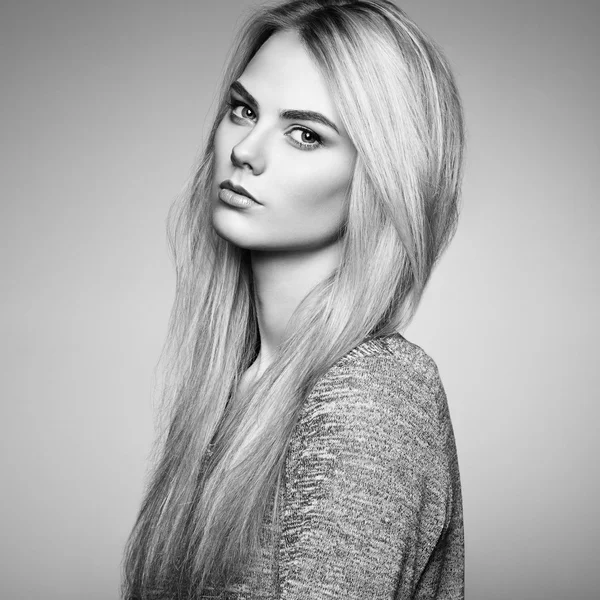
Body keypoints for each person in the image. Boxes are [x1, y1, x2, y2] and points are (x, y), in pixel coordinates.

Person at [122, 0, 465, 598]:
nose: (246, 150)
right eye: (243, 110)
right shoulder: (236, 386)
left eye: (305, 134)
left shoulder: (372, 391)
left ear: (382, 176)